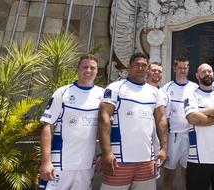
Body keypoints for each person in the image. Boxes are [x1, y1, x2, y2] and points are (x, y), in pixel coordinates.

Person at [98, 52, 168, 190]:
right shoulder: (115, 88)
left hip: (147, 160)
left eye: (144, 66)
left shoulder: (155, 92)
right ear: (129, 67)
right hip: (119, 160)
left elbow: (161, 121)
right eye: (137, 65)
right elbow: (103, 119)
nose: (141, 68)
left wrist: (164, 149)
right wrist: (106, 153)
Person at [39, 54, 105, 190]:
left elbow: (106, 128)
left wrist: (103, 155)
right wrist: (46, 161)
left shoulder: (103, 95)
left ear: (97, 70)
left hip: (87, 166)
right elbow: (47, 126)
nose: (88, 71)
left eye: (92, 68)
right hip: (60, 164)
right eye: (85, 67)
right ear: (78, 69)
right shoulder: (62, 93)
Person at [161, 58, 198, 190]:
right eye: (180, 68)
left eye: (185, 68)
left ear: (188, 69)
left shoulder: (195, 88)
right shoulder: (166, 88)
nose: (182, 70)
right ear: (174, 69)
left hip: (191, 136)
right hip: (173, 137)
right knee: (169, 175)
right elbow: (163, 118)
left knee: (188, 174)